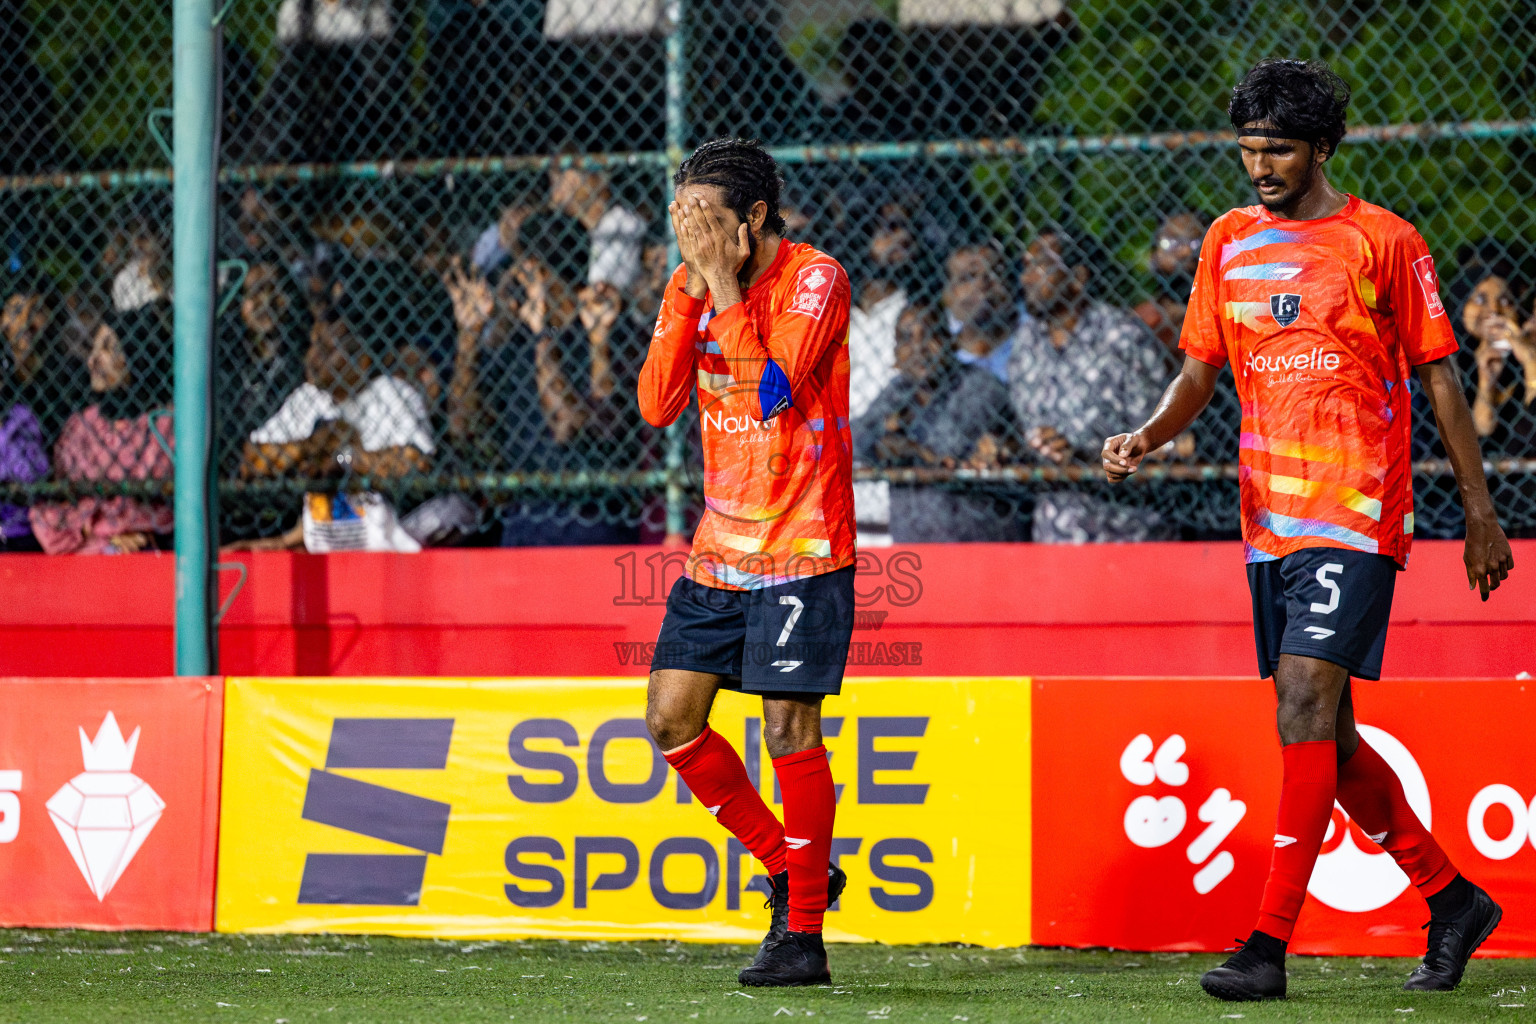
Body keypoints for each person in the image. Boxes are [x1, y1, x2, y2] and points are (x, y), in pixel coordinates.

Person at [1102, 59, 1514, 1001]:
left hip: (1358, 511)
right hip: (1269, 524)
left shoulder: (1385, 240)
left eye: (1279, 149)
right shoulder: (1226, 242)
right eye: (1248, 150)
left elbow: (1441, 378)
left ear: (1323, 146)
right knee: (1329, 736)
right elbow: (1200, 373)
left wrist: (1479, 513)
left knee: (1300, 708)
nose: (1261, 166)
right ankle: (1453, 902)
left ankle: (1266, 946)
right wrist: (1149, 435)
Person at [638, 138, 854, 987]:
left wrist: (720, 286)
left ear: (754, 217)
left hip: (803, 544)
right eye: (681, 219)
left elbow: (773, 400)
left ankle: (801, 937)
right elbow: (657, 405)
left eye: (706, 221)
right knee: (670, 720)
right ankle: (792, 867)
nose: (688, 235)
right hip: (719, 551)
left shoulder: (815, 278)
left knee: (787, 729)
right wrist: (693, 287)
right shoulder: (688, 284)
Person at [1010, 225, 1174, 543]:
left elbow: (1162, 443)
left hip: (1125, 533)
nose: (1026, 278)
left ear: (1076, 278)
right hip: (1053, 537)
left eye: (1041, 265)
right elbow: (1023, 431)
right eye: (1026, 265)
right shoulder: (1025, 345)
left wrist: (1082, 457)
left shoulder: (1122, 338)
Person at [853, 299, 1023, 542]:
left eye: (930, 335)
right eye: (907, 339)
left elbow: (949, 450)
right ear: (896, 353)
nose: (920, 348)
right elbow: (853, 440)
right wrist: (881, 433)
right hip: (915, 547)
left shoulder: (979, 386)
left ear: (951, 343)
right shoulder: (899, 390)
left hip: (974, 541)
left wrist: (906, 447)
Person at [28, 305, 175, 554]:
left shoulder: (164, 424)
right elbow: (55, 508)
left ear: (136, 354)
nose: (92, 359)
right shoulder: (81, 426)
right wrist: (97, 532)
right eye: (94, 348)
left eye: (107, 348)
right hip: (88, 546)